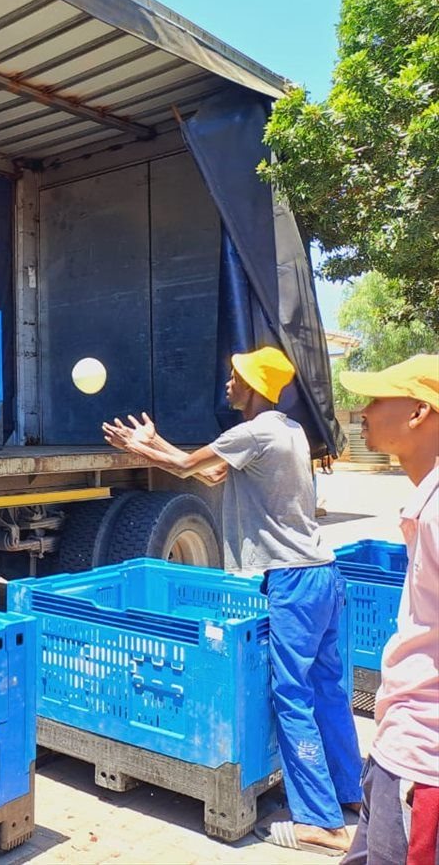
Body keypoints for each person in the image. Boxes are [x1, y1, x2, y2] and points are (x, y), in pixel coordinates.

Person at [103, 346, 362, 856]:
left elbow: (184, 466)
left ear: (256, 387)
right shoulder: (288, 431)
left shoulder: (254, 430)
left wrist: (145, 447)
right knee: (327, 687)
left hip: (290, 579)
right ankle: (348, 793)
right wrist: (162, 447)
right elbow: (214, 473)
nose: (228, 384)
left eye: (235, 378)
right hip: (322, 574)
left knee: (291, 695)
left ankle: (319, 823)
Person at [337, 354, 438, 865]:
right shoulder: (426, 501)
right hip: (397, 749)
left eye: (377, 400)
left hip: (422, 768)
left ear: (419, 412)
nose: (363, 412)